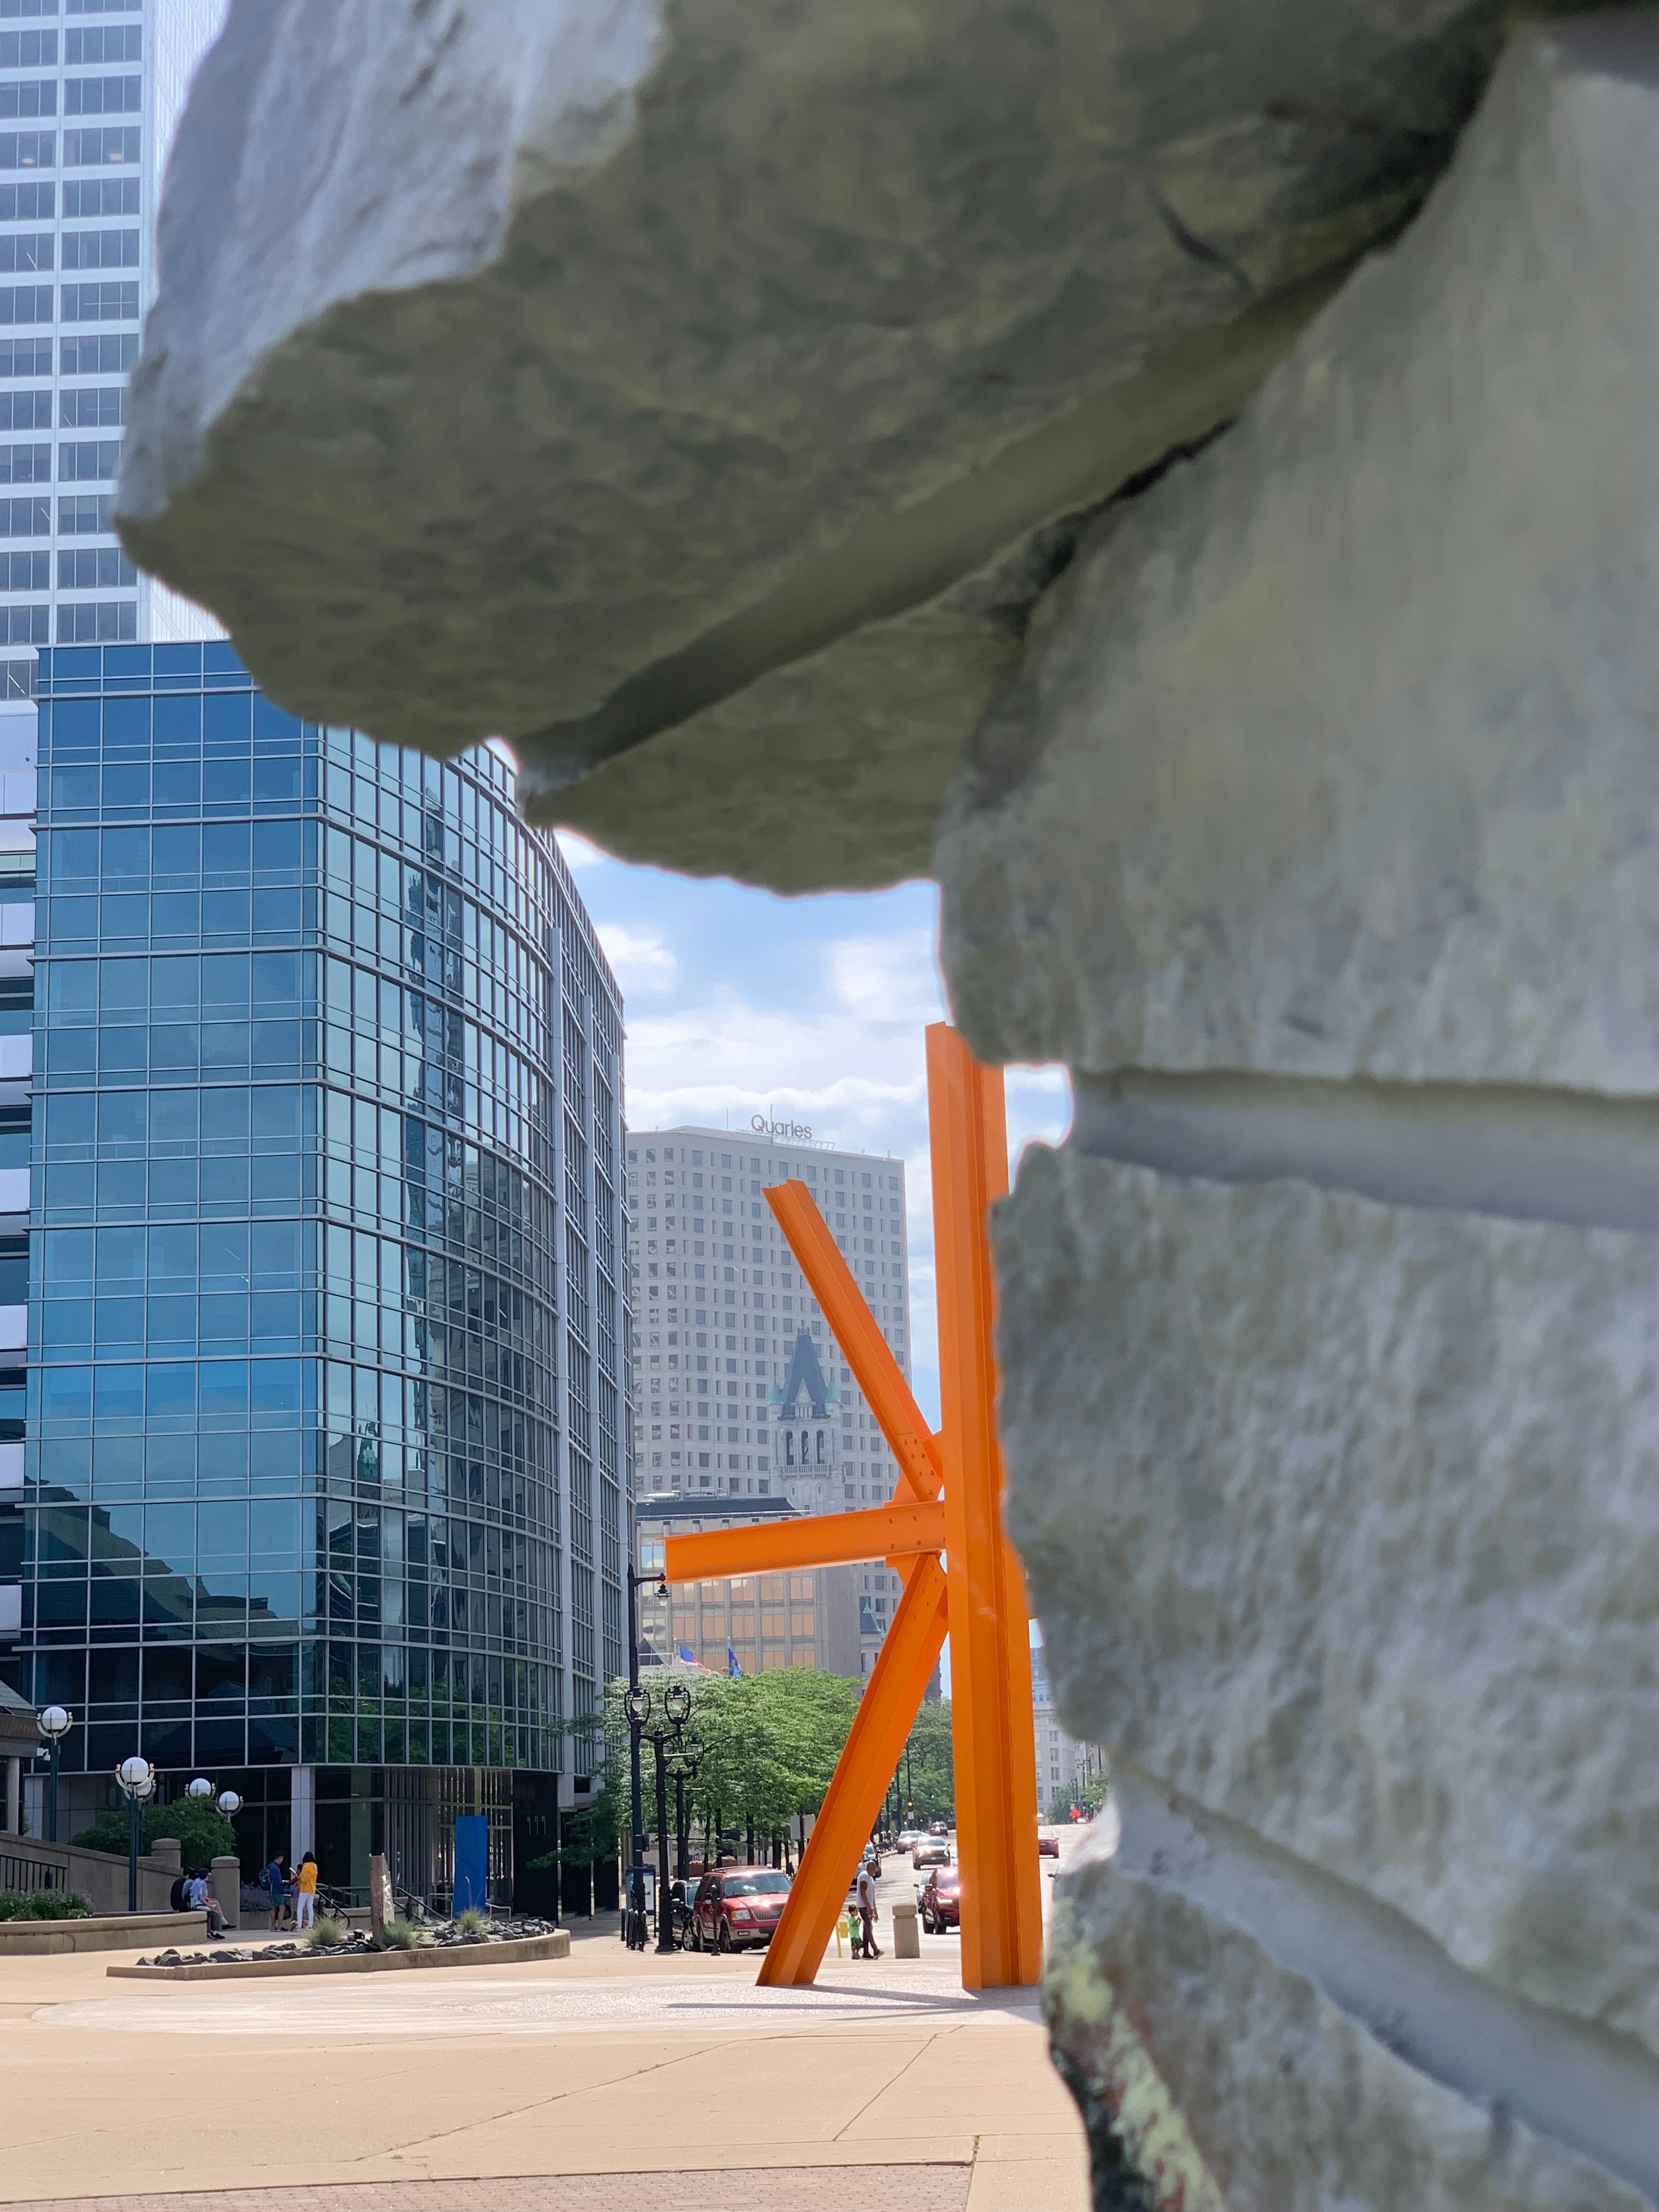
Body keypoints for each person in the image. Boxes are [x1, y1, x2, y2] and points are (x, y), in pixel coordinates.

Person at [186, 1868, 226, 1940]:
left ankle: (216, 1928)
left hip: (195, 1904)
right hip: (197, 1906)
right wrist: (210, 1906)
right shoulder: (202, 1884)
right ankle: (214, 1932)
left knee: (213, 1907)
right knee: (215, 1913)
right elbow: (201, 1899)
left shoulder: (197, 1882)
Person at [855, 1859, 881, 1960]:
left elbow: (872, 1896)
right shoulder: (864, 1876)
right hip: (863, 1906)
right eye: (874, 1868)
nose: (876, 1870)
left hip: (868, 1907)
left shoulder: (870, 1878)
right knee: (869, 1927)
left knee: (866, 1929)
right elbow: (863, 1893)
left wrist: (875, 1910)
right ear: (869, 1868)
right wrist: (869, 1908)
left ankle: (866, 1952)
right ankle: (876, 1950)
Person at [261, 1854, 289, 1932]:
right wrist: (282, 1890)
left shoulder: (270, 1867)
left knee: (274, 1908)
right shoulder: (275, 1868)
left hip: (272, 1889)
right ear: (280, 1858)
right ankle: (279, 1927)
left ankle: (273, 1927)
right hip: (277, 1890)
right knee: (282, 1908)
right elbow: (278, 1881)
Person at [294, 1849, 319, 1932]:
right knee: (310, 1907)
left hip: (304, 1889)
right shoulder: (315, 1866)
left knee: (300, 1907)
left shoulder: (305, 1867)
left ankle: (299, 1926)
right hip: (312, 1889)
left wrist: (298, 1877)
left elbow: (304, 1880)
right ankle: (310, 1926)